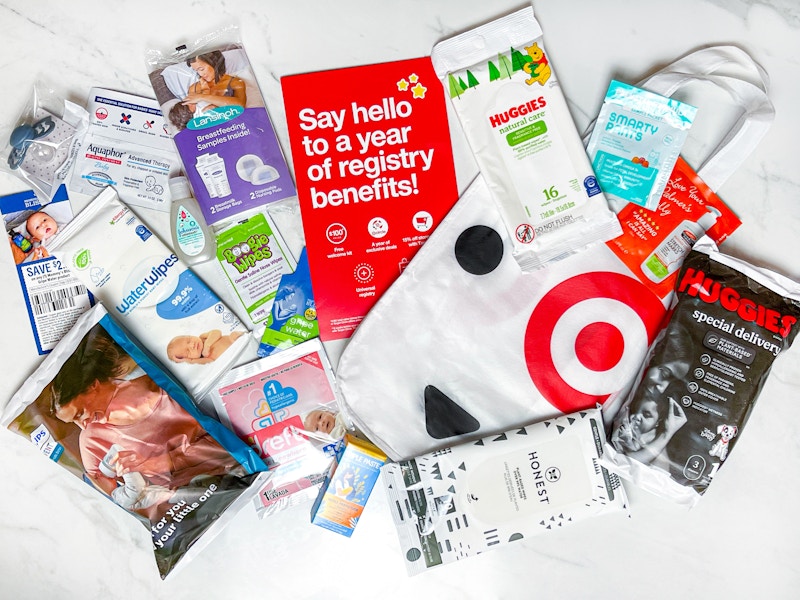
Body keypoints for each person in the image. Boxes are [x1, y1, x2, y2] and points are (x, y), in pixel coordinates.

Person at [51, 325, 242, 505]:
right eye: (73, 421)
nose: (82, 425)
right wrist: (130, 496)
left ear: (93, 386)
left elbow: (222, 437)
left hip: (234, 467)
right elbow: (103, 485)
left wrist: (161, 463)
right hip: (186, 504)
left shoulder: (156, 381)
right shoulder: (91, 440)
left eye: (80, 413)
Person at [166, 329, 245, 364]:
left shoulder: (202, 338)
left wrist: (208, 344)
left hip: (233, 341)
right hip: (232, 357)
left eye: (189, 340)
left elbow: (217, 332)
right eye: (188, 351)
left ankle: (245, 338)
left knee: (234, 334)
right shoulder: (203, 359)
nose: (192, 345)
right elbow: (210, 362)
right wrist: (189, 361)